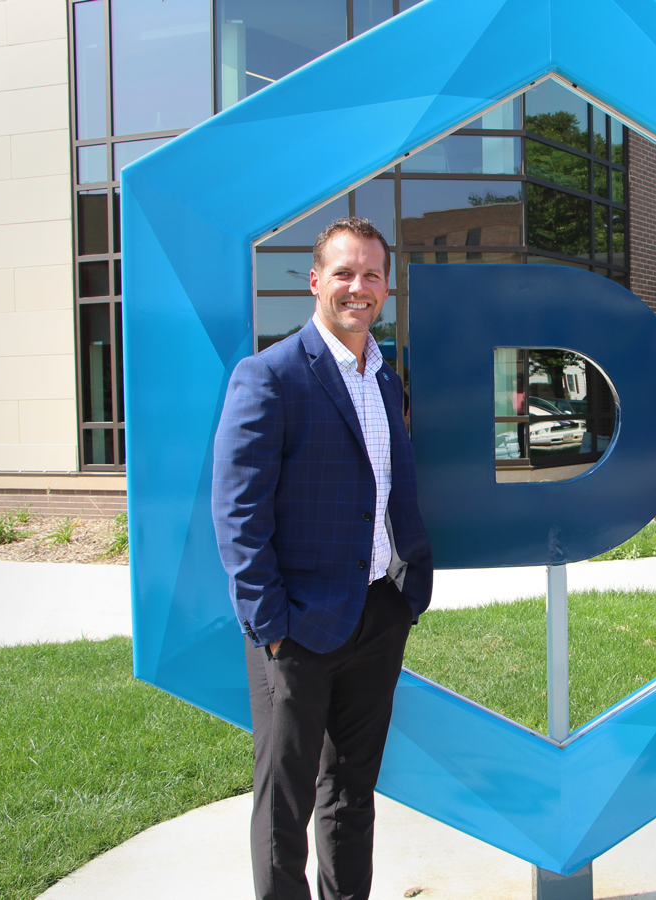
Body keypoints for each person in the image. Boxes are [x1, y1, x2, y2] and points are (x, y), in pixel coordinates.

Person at [212, 217, 433, 900]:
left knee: (352, 794)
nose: (357, 287)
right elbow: (237, 511)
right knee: (285, 806)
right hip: (297, 630)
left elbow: (385, 490)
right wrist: (269, 622)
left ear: (386, 288)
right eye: (344, 272)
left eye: (370, 274)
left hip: (376, 613)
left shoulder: (385, 378)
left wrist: (405, 592)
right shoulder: (269, 375)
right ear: (315, 282)